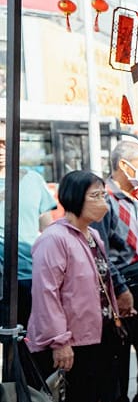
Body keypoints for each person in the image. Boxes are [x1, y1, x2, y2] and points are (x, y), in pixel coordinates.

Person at [27, 171, 123, 402]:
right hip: (73, 340)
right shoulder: (54, 238)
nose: (102, 201)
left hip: (100, 334)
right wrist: (59, 341)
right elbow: (46, 294)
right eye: (95, 195)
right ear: (74, 198)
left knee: (102, 398)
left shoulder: (94, 236)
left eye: (104, 195)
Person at [92, 141, 138, 402]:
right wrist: (118, 290)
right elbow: (102, 252)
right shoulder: (104, 200)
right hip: (120, 291)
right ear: (124, 165)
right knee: (119, 357)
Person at [0, 121, 58, 328]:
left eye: (6, 143)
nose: (1, 149)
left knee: (28, 349)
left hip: (28, 279)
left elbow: (49, 231)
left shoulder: (33, 180)